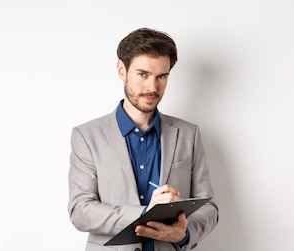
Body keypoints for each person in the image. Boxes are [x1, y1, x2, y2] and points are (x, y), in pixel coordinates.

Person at [67, 28, 219, 251]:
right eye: (143, 74)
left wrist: (183, 234)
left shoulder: (189, 134)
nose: (152, 87)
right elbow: (80, 211)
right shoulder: (87, 136)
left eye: (162, 76)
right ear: (122, 70)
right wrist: (142, 214)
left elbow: (209, 208)